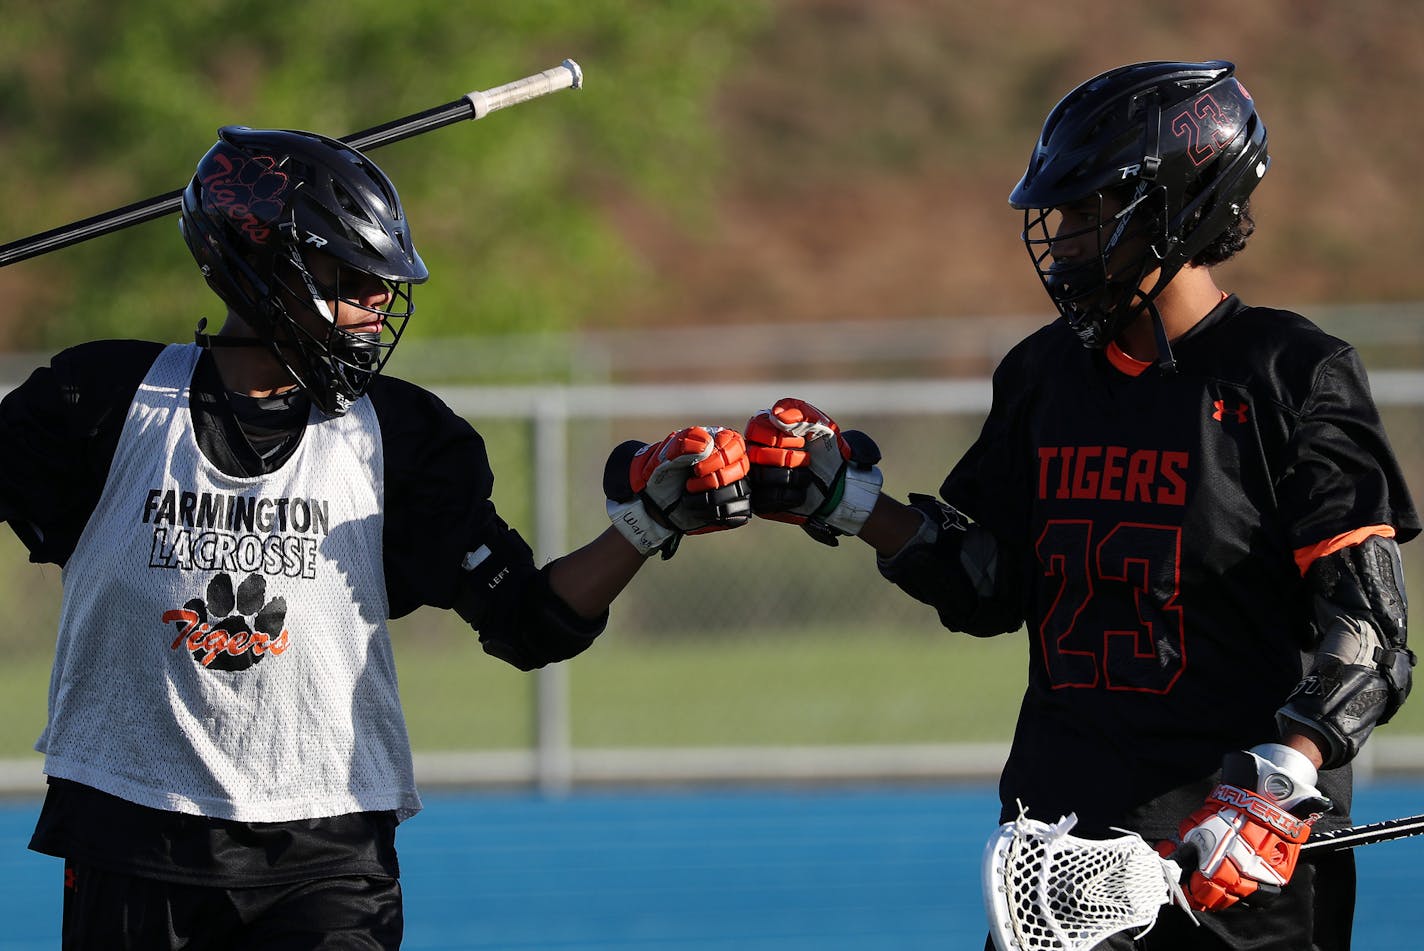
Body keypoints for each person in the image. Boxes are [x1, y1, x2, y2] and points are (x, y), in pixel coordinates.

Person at [1, 125, 751, 949]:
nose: (377, 307)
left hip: (328, 852)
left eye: (382, 285)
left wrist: (647, 526)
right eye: (353, 280)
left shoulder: (403, 437)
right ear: (267, 267)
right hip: (130, 835)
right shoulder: (98, 403)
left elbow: (528, 621)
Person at [741, 60, 1417, 949]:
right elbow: (990, 583)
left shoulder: (1290, 376)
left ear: (1181, 205)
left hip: (1230, 866)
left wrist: (1281, 779)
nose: (1065, 241)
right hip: (1060, 858)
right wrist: (852, 501)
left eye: (1093, 213)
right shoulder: (1043, 374)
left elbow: (1369, 631)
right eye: (1063, 217)